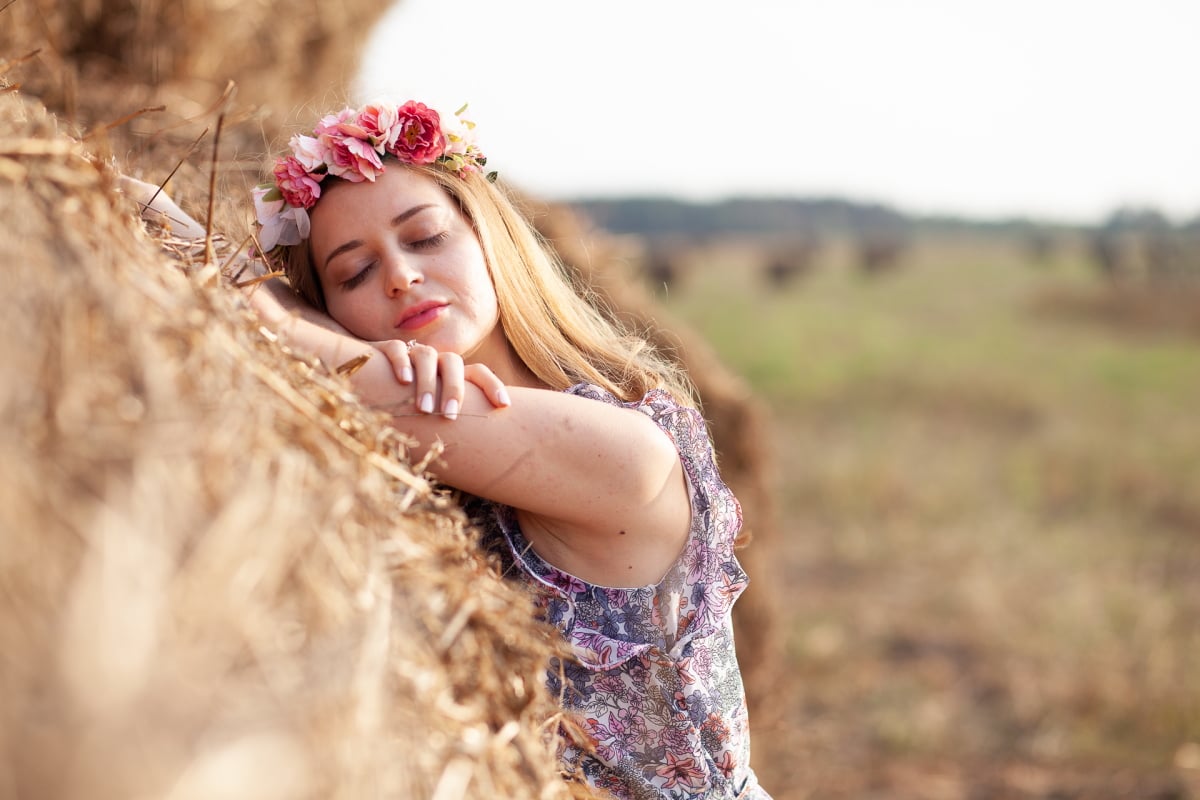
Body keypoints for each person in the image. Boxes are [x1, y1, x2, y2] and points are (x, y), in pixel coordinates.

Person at [239, 99, 770, 800]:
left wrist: (252, 289)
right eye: (353, 275)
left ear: (490, 238)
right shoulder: (414, 445)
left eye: (424, 236)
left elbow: (294, 341)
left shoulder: (625, 453)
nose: (399, 275)